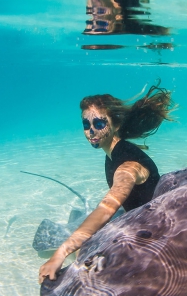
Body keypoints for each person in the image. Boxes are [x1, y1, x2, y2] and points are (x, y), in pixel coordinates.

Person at [39, 83, 175, 283]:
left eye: (99, 124)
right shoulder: (111, 153)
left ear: (116, 125)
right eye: (86, 125)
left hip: (159, 235)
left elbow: (107, 208)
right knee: (85, 253)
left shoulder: (127, 167)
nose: (91, 131)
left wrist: (61, 253)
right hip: (140, 221)